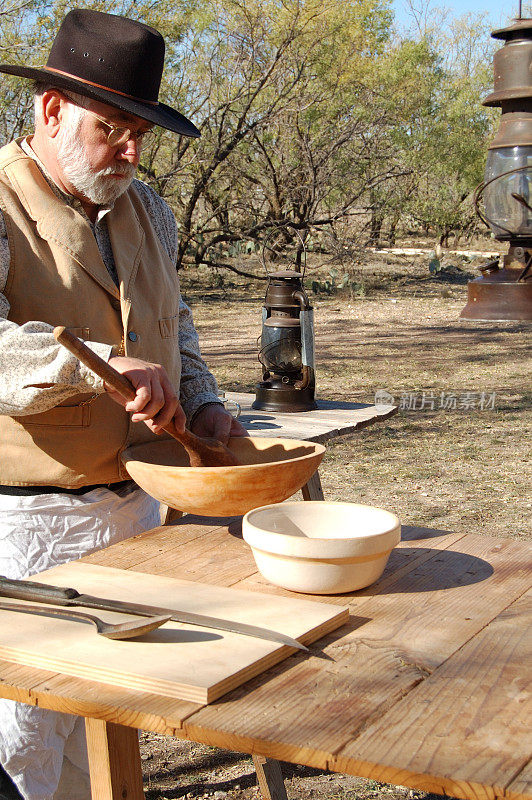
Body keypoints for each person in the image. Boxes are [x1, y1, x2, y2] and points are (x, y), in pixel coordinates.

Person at [0, 9, 246, 799]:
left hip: (140, 518)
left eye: (141, 131)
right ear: (50, 109)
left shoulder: (153, 211)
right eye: (113, 129)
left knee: (112, 741)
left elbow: (181, 325)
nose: (133, 151)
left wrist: (202, 402)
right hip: (26, 534)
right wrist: (100, 365)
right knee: (23, 747)